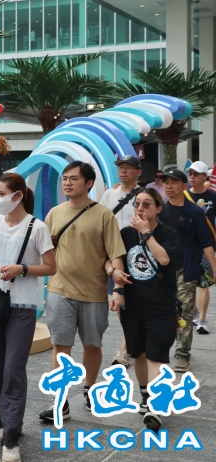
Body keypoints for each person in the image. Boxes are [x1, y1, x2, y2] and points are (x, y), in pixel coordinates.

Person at [0, 173, 56, 462]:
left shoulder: (36, 226)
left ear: (18, 195)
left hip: (22, 306)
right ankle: (7, 423)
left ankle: (10, 440)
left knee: (13, 368)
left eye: (3, 193)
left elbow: (51, 267)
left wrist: (23, 269)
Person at [39, 161, 127, 423]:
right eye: (65, 178)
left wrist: (118, 288)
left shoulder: (103, 215)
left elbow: (115, 253)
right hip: (59, 289)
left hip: (93, 292)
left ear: (88, 183)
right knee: (60, 346)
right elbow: (45, 251)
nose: (67, 182)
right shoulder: (54, 213)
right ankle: (60, 400)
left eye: (74, 178)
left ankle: (89, 389)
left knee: (92, 345)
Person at [111, 188, 180, 433]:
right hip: (133, 307)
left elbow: (164, 259)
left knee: (156, 356)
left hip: (162, 307)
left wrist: (146, 233)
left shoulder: (167, 233)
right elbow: (111, 257)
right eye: (137, 204)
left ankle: (155, 406)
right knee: (138, 354)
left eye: (147, 204)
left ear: (158, 209)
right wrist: (113, 276)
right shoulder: (125, 233)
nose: (140, 208)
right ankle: (145, 395)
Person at [162, 169, 216, 373]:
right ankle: (159, 347)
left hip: (187, 267)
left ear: (184, 186)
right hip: (162, 269)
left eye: (174, 182)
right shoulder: (159, 210)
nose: (169, 186)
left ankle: (182, 354)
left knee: (184, 309)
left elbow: (206, 242)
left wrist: (214, 268)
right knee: (162, 309)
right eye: (166, 182)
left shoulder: (195, 211)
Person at [99, 155, 141, 368]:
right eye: (121, 167)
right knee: (120, 301)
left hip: (138, 254)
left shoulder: (143, 195)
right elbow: (100, 220)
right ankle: (129, 342)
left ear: (138, 172)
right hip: (114, 253)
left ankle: (125, 347)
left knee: (134, 299)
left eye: (129, 167)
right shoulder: (109, 194)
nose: (123, 171)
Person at [185, 161, 216, 335]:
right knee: (189, 282)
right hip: (188, 245)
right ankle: (195, 310)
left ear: (205, 176)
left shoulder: (213, 196)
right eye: (190, 173)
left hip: (207, 245)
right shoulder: (183, 195)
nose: (192, 176)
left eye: (196, 173)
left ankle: (202, 320)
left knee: (204, 283)